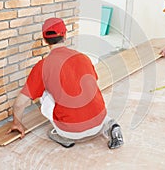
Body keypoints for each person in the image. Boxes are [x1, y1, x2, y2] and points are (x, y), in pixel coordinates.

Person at [7, 17, 124, 149]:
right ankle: (110, 125)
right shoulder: (84, 57)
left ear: (45, 40)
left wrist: (17, 122)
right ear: (65, 35)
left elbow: (20, 103)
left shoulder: (42, 66)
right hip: (99, 122)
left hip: (72, 131)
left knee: (45, 93)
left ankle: (63, 136)